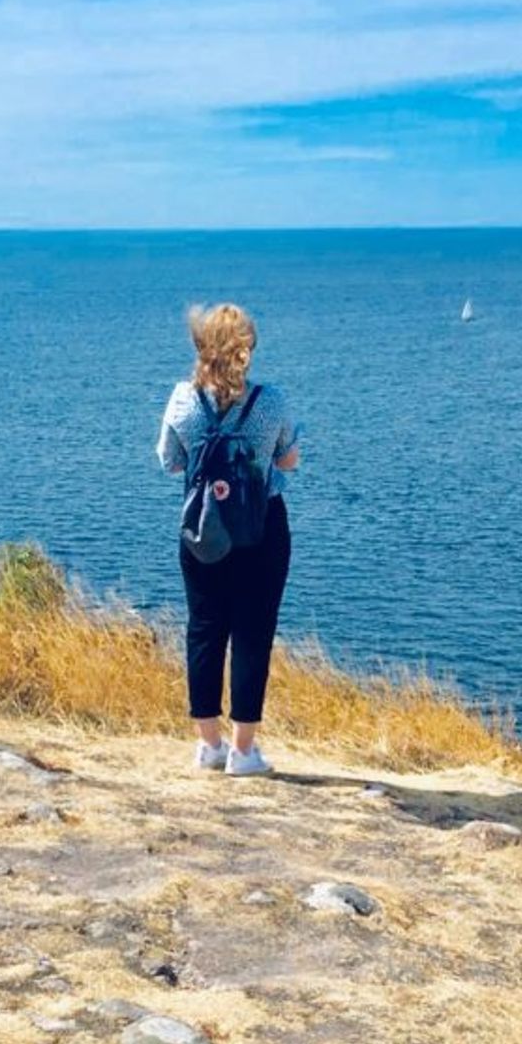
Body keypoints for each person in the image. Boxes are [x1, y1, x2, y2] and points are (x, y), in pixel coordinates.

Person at [156, 303, 301, 776]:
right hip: (261, 529)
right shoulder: (271, 400)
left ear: (201, 346)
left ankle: (209, 744)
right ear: (247, 350)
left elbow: (170, 462)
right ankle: (243, 751)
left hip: (202, 530)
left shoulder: (182, 399)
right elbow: (288, 461)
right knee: (252, 634)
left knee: (204, 628)